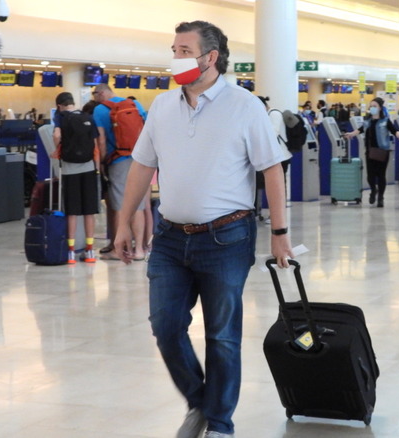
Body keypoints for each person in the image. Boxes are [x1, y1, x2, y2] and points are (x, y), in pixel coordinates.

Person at [112, 20, 293, 438]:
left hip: (226, 238)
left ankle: (219, 425)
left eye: (183, 50)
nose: (175, 57)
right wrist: (123, 221)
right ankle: (200, 401)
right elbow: (142, 166)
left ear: (210, 57)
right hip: (171, 238)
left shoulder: (244, 106)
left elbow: (272, 170)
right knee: (166, 326)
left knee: (222, 337)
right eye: (173, 49)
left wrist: (279, 232)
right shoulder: (161, 106)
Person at [92, 84, 148, 260]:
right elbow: (147, 130)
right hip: (139, 159)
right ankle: (139, 250)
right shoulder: (134, 104)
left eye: (94, 94)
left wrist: (101, 162)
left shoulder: (100, 110)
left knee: (118, 206)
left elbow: (101, 141)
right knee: (138, 205)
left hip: (117, 160)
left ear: (101, 93)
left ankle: (119, 250)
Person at [52, 92, 100, 264]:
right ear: (73, 103)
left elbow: (57, 136)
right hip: (88, 167)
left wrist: (57, 149)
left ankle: (71, 252)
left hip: (69, 169)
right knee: (89, 210)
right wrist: (97, 168)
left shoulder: (61, 117)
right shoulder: (87, 117)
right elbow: (95, 145)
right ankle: (90, 251)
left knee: (72, 211)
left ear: (59, 105)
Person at [344, 97, 399, 207]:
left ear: (380, 108)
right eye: (371, 106)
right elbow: (361, 129)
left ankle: (381, 197)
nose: (372, 108)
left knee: (381, 175)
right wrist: (352, 134)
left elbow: (394, 130)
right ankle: (373, 190)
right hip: (370, 151)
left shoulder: (385, 121)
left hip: (382, 151)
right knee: (370, 176)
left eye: (375, 106)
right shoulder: (368, 121)